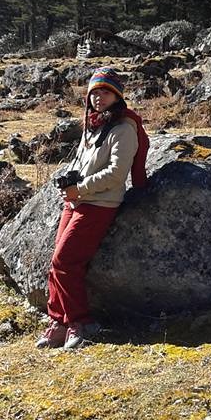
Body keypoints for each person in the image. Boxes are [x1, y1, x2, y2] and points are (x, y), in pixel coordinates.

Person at [36, 66, 149, 350]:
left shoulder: (124, 128)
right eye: (95, 92)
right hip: (76, 201)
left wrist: (81, 189)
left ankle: (80, 322)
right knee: (56, 264)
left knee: (65, 262)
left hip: (100, 203)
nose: (99, 97)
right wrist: (69, 182)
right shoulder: (92, 124)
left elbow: (116, 173)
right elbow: (79, 162)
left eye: (105, 92)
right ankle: (59, 321)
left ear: (117, 96)